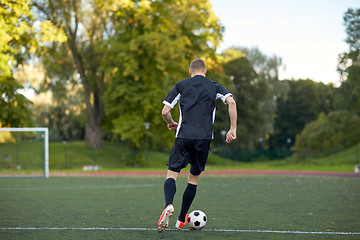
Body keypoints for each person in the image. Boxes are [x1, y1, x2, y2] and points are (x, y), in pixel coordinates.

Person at [157, 58, 237, 232]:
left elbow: (165, 111)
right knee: (193, 178)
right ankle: (180, 220)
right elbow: (231, 102)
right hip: (204, 139)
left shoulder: (181, 85)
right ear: (206, 71)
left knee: (172, 174)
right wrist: (232, 129)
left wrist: (171, 122)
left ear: (190, 71)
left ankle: (169, 204)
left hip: (184, 137)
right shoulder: (214, 86)